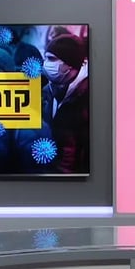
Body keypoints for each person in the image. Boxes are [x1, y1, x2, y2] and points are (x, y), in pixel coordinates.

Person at [41, 33, 89, 174]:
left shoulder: (88, 97)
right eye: (45, 58)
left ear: (69, 64)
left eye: (51, 59)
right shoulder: (46, 93)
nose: (45, 64)